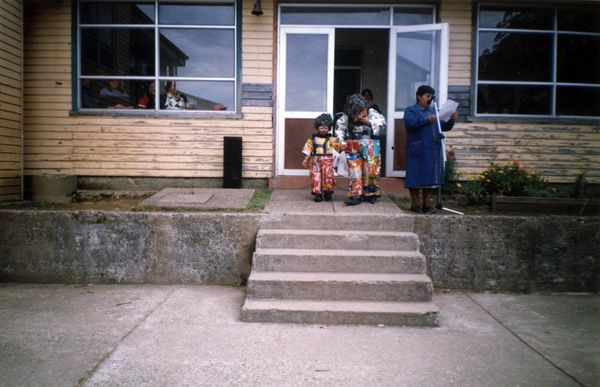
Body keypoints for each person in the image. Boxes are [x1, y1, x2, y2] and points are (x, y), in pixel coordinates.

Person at [404, 85, 458, 213]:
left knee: (431, 176)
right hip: (417, 148)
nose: (430, 99)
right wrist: (427, 119)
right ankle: (415, 203)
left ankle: (427, 204)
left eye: (431, 97)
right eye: (427, 96)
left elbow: (444, 126)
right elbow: (410, 123)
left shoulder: (434, 111)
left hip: (432, 148)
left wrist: (451, 120)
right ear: (419, 96)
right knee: (415, 175)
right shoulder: (411, 110)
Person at [335, 94, 386, 205]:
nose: (355, 117)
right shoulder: (347, 116)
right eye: (353, 114)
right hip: (353, 144)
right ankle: (355, 195)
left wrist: (366, 120)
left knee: (371, 169)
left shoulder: (372, 113)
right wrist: (342, 142)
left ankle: (371, 193)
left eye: (358, 113)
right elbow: (339, 128)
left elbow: (382, 124)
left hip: (370, 144)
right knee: (354, 170)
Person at [301, 113, 342, 202]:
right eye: (321, 128)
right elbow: (309, 149)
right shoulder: (313, 139)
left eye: (326, 128)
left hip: (327, 161)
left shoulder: (331, 139)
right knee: (315, 176)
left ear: (329, 128)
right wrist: (305, 159)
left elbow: (337, 147)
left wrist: (340, 144)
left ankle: (327, 193)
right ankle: (317, 194)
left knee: (328, 176)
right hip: (315, 160)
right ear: (318, 128)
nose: (323, 130)